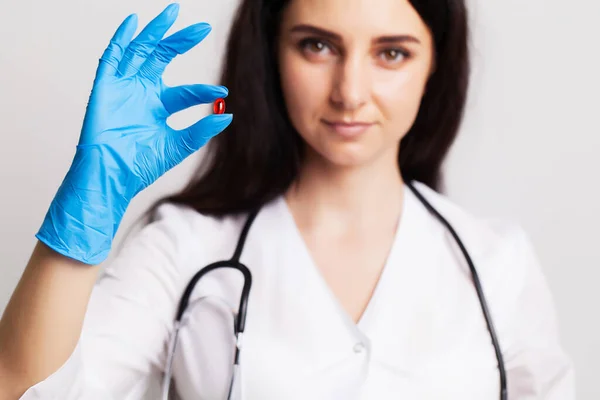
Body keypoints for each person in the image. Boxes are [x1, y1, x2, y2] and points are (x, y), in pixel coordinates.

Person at [0, 0, 575, 399]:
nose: (350, 91)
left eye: (391, 53)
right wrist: (82, 220)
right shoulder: (185, 245)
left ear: (436, 67)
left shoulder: (497, 260)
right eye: (318, 46)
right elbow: (25, 391)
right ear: (271, 54)